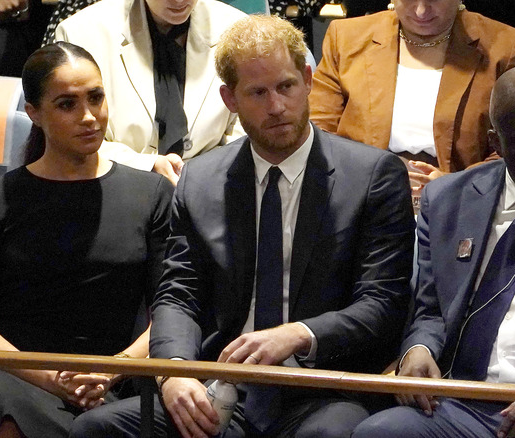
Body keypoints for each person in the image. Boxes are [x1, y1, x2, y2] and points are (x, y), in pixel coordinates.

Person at [70, 15, 414, 438]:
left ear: (308, 80)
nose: (276, 106)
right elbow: (179, 293)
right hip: (225, 386)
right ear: (230, 99)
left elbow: (382, 302)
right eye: (257, 92)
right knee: (95, 429)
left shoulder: (371, 175)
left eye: (286, 86)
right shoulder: (201, 180)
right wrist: (174, 372)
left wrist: (297, 334)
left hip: (323, 387)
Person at [0, 42, 173, 438]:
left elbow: (169, 314)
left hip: (119, 377)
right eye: (67, 104)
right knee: (1, 409)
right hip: (15, 374)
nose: (88, 117)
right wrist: (52, 378)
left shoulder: (151, 194)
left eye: (96, 98)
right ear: (34, 113)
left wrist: (112, 369)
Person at [353, 64, 515, 438]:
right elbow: (432, 310)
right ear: (496, 144)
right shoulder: (446, 200)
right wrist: (419, 349)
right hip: (460, 399)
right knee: (379, 432)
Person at [310, 0, 515, 193]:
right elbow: (319, 131)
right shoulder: (346, 38)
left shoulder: (506, 48)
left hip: (463, 197)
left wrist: (454, 184)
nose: (421, 11)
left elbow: (514, 145)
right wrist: (373, 177)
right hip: (362, 191)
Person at [46, 0, 247, 185]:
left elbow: (249, 125)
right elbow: (67, 135)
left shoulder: (238, 28)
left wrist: (202, 174)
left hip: (213, 187)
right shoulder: (82, 32)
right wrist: (146, 165)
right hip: (115, 187)